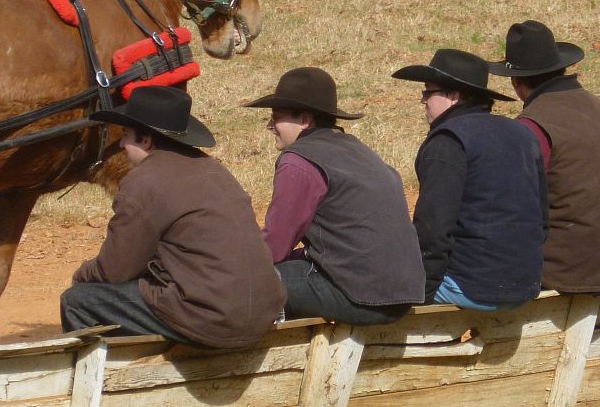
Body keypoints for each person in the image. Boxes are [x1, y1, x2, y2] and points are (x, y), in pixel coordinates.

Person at [60, 85, 286, 348]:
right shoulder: (213, 169)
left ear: (146, 140)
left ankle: (117, 374)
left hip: (216, 319)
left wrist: (81, 275)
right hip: (262, 312)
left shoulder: (143, 181)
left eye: (125, 135)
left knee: (78, 301)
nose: (121, 144)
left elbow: (114, 270)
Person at [243, 67, 425, 325]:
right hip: (404, 295)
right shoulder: (358, 149)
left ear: (305, 119)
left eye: (276, 117)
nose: (270, 126)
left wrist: (234, 264)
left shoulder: (299, 160)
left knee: (248, 283)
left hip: (359, 297)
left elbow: (275, 245)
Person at [488, 20, 600, 293]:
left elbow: (511, 208)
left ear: (516, 82)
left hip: (562, 272)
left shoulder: (533, 126)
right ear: (561, 68)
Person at [392, 49, 548, 309]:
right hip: (525, 286)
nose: (423, 100)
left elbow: (433, 228)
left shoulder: (448, 141)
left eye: (428, 92)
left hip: (472, 287)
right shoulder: (522, 134)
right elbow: (542, 218)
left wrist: (422, 291)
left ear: (453, 96)